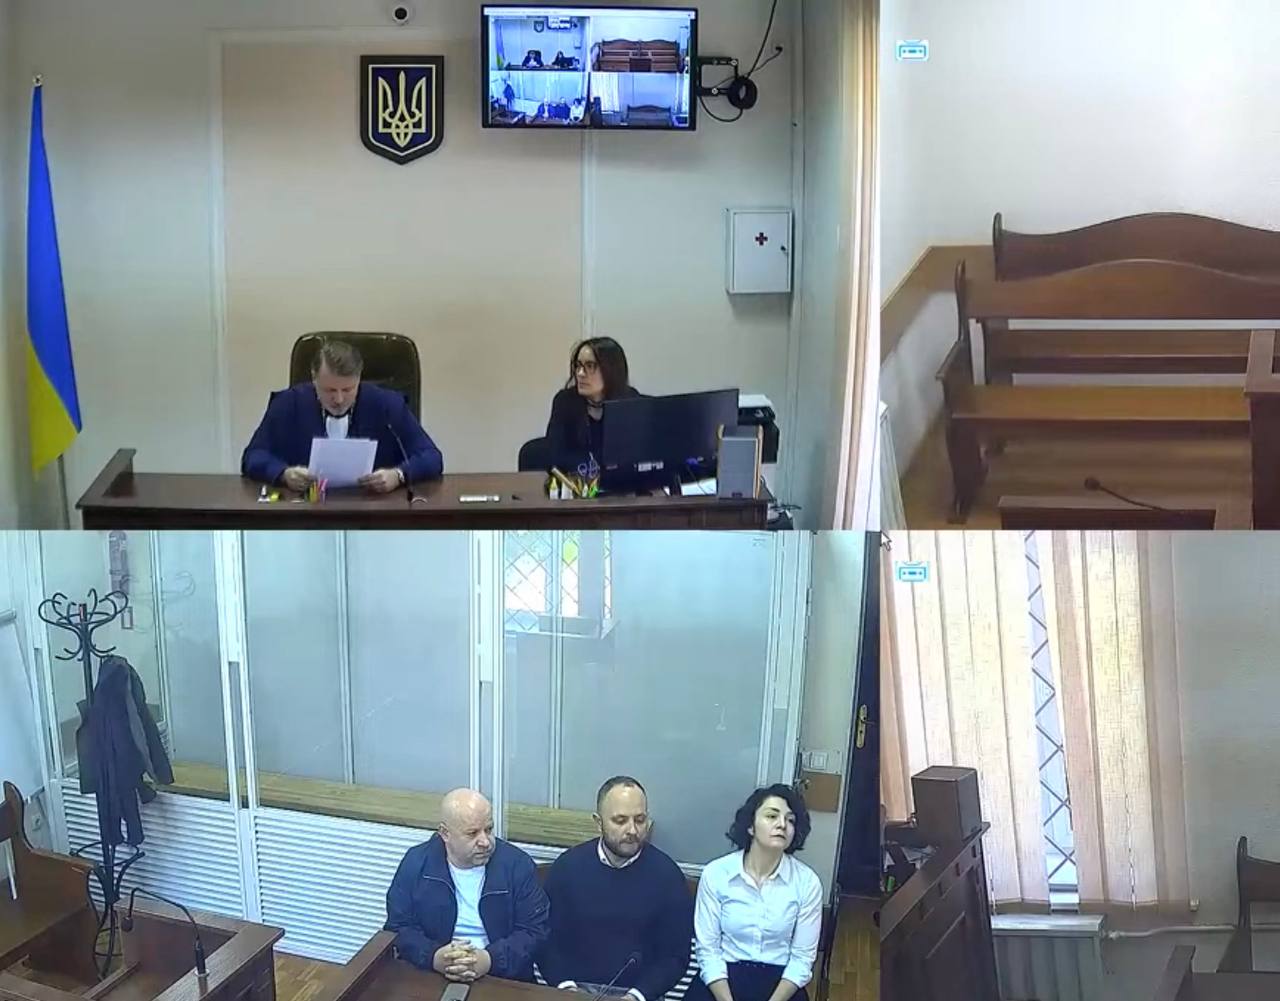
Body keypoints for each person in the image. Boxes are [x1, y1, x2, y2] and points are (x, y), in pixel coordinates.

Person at [539, 776, 692, 1001]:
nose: (632, 830)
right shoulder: (567, 868)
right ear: (598, 822)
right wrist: (566, 988)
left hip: (640, 995)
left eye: (640, 820)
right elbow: (546, 939)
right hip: (574, 991)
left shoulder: (667, 876)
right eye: (620, 821)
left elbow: (675, 956)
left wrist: (637, 996)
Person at [385, 789, 550, 983]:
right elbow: (398, 927)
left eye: (489, 829)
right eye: (472, 833)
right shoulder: (416, 863)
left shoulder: (517, 865)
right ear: (445, 834)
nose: (485, 842)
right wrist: (434, 956)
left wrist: (489, 960)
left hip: (502, 976)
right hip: (433, 973)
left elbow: (534, 932)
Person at [241, 339, 443, 493]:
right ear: (314, 378)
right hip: (306, 511)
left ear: (359, 379)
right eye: (329, 390)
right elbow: (253, 456)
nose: (338, 399)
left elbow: (431, 457)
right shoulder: (288, 404)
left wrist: (398, 475)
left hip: (375, 512)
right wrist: (283, 474)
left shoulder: (388, 406)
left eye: (347, 390)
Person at [689, 785, 823, 1001]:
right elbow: (708, 950)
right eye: (772, 816)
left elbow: (802, 959)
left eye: (790, 820)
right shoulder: (716, 874)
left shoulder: (807, 882)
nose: (782, 824)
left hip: (780, 984)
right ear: (751, 826)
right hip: (722, 980)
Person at [544, 337, 639, 474]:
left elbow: (635, 458)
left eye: (590, 366)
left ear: (610, 370)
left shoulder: (629, 401)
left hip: (621, 484)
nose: (580, 373)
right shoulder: (565, 401)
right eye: (578, 365)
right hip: (577, 483)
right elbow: (555, 458)